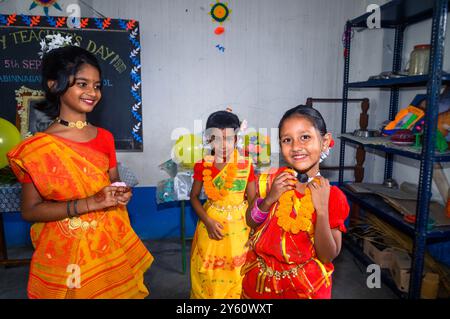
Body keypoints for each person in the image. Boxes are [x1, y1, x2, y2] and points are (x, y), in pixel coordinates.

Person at [7, 45, 153, 299]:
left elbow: (113, 181)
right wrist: (90, 203)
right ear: (55, 85)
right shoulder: (37, 150)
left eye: (97, 86)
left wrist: (120, 193)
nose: (92, 93)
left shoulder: (105, 137)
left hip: (107, 246)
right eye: (82, 84)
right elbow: (30, 210)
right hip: (65, 251)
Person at [241, 105, 349, 299]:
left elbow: (327, 256)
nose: (296, 147)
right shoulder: (270, 181)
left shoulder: (332, 196)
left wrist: (322, 210)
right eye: (287, 140)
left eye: (305, 137)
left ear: (325, 142)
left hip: (306, 287)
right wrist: (269, 200)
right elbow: (250, 221)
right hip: (260, 284)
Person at [190, 109, 256, 298]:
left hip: (239, 230)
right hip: (211, 226)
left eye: (228, 138)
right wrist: (208, 222)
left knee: (238, 273)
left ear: (236, 139)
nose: (223, 145)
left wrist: (254, 230)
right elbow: (194, 197)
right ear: (209, 139)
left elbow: (253, 200)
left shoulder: (246, 165)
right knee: (208, 273)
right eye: (216, 139)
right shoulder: (203, 165)